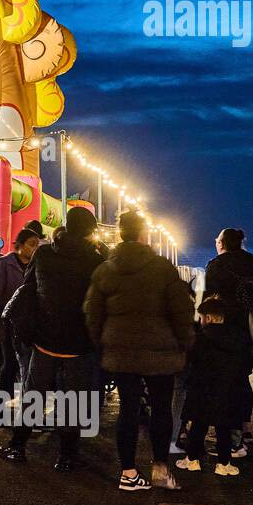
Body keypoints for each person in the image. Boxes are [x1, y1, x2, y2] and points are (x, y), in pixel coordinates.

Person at [86, 210, 195, 490]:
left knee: (128, 409)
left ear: (121, 233)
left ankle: (128, 473)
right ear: (143, 233)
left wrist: (102, 344)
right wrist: (185, 343)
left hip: (121, 353)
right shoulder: (162, 268)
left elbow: (92, 313)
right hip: (161, 353)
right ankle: (160, 468)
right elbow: (181, 310)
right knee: (161, 409)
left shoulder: (105, 270)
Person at [0, 206, 103, 472]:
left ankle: (18, 446)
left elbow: (28, 285)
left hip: (45, 339)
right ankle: (67, 456)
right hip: (79, 342)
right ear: (90, 232)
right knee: (74, 400)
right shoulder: (95, 260)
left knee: (34, 394)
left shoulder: (44, 254)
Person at [203, 228, 253, 456]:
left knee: (223, 385)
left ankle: (231, 439)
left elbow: (209, 301)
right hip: (249, 332)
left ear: (222, 243)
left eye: (217, 240)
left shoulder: (216, 265)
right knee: (242, 380)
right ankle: (244, 430)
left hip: (224, 332)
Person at [176, 295, 249, 476]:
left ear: (208, 317)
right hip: (228, 390)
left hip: (202, 389)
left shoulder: (201, 338)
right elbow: (245, 365)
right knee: (224, 427)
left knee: (199, 425)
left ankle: (192, 460)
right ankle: (224, 463)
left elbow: (190, 361)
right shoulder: (238, 338)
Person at [0, 228, 41, 398]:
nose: (34, 249)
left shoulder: (37, 265)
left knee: (28, 366)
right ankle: (0, 405)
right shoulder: (3, 265)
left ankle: (23, 405)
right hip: (8, 324)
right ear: (20, 245)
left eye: (37, 245)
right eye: (31, 244)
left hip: (29, 324)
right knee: (9, 364)